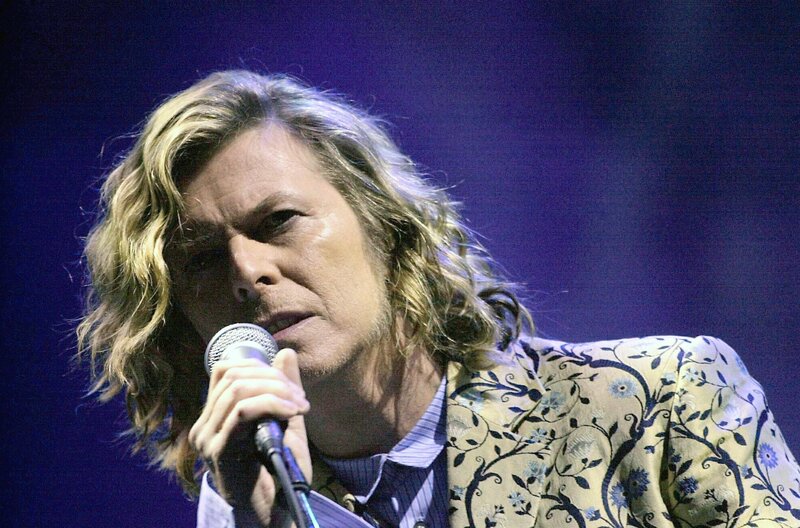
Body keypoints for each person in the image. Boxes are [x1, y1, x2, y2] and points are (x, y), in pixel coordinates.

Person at [77, 70, 799, 528]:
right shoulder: (247, 505)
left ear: (386, 226)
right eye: (202, 259)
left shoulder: (657, 398)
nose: (247, 271)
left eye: (278, 222)